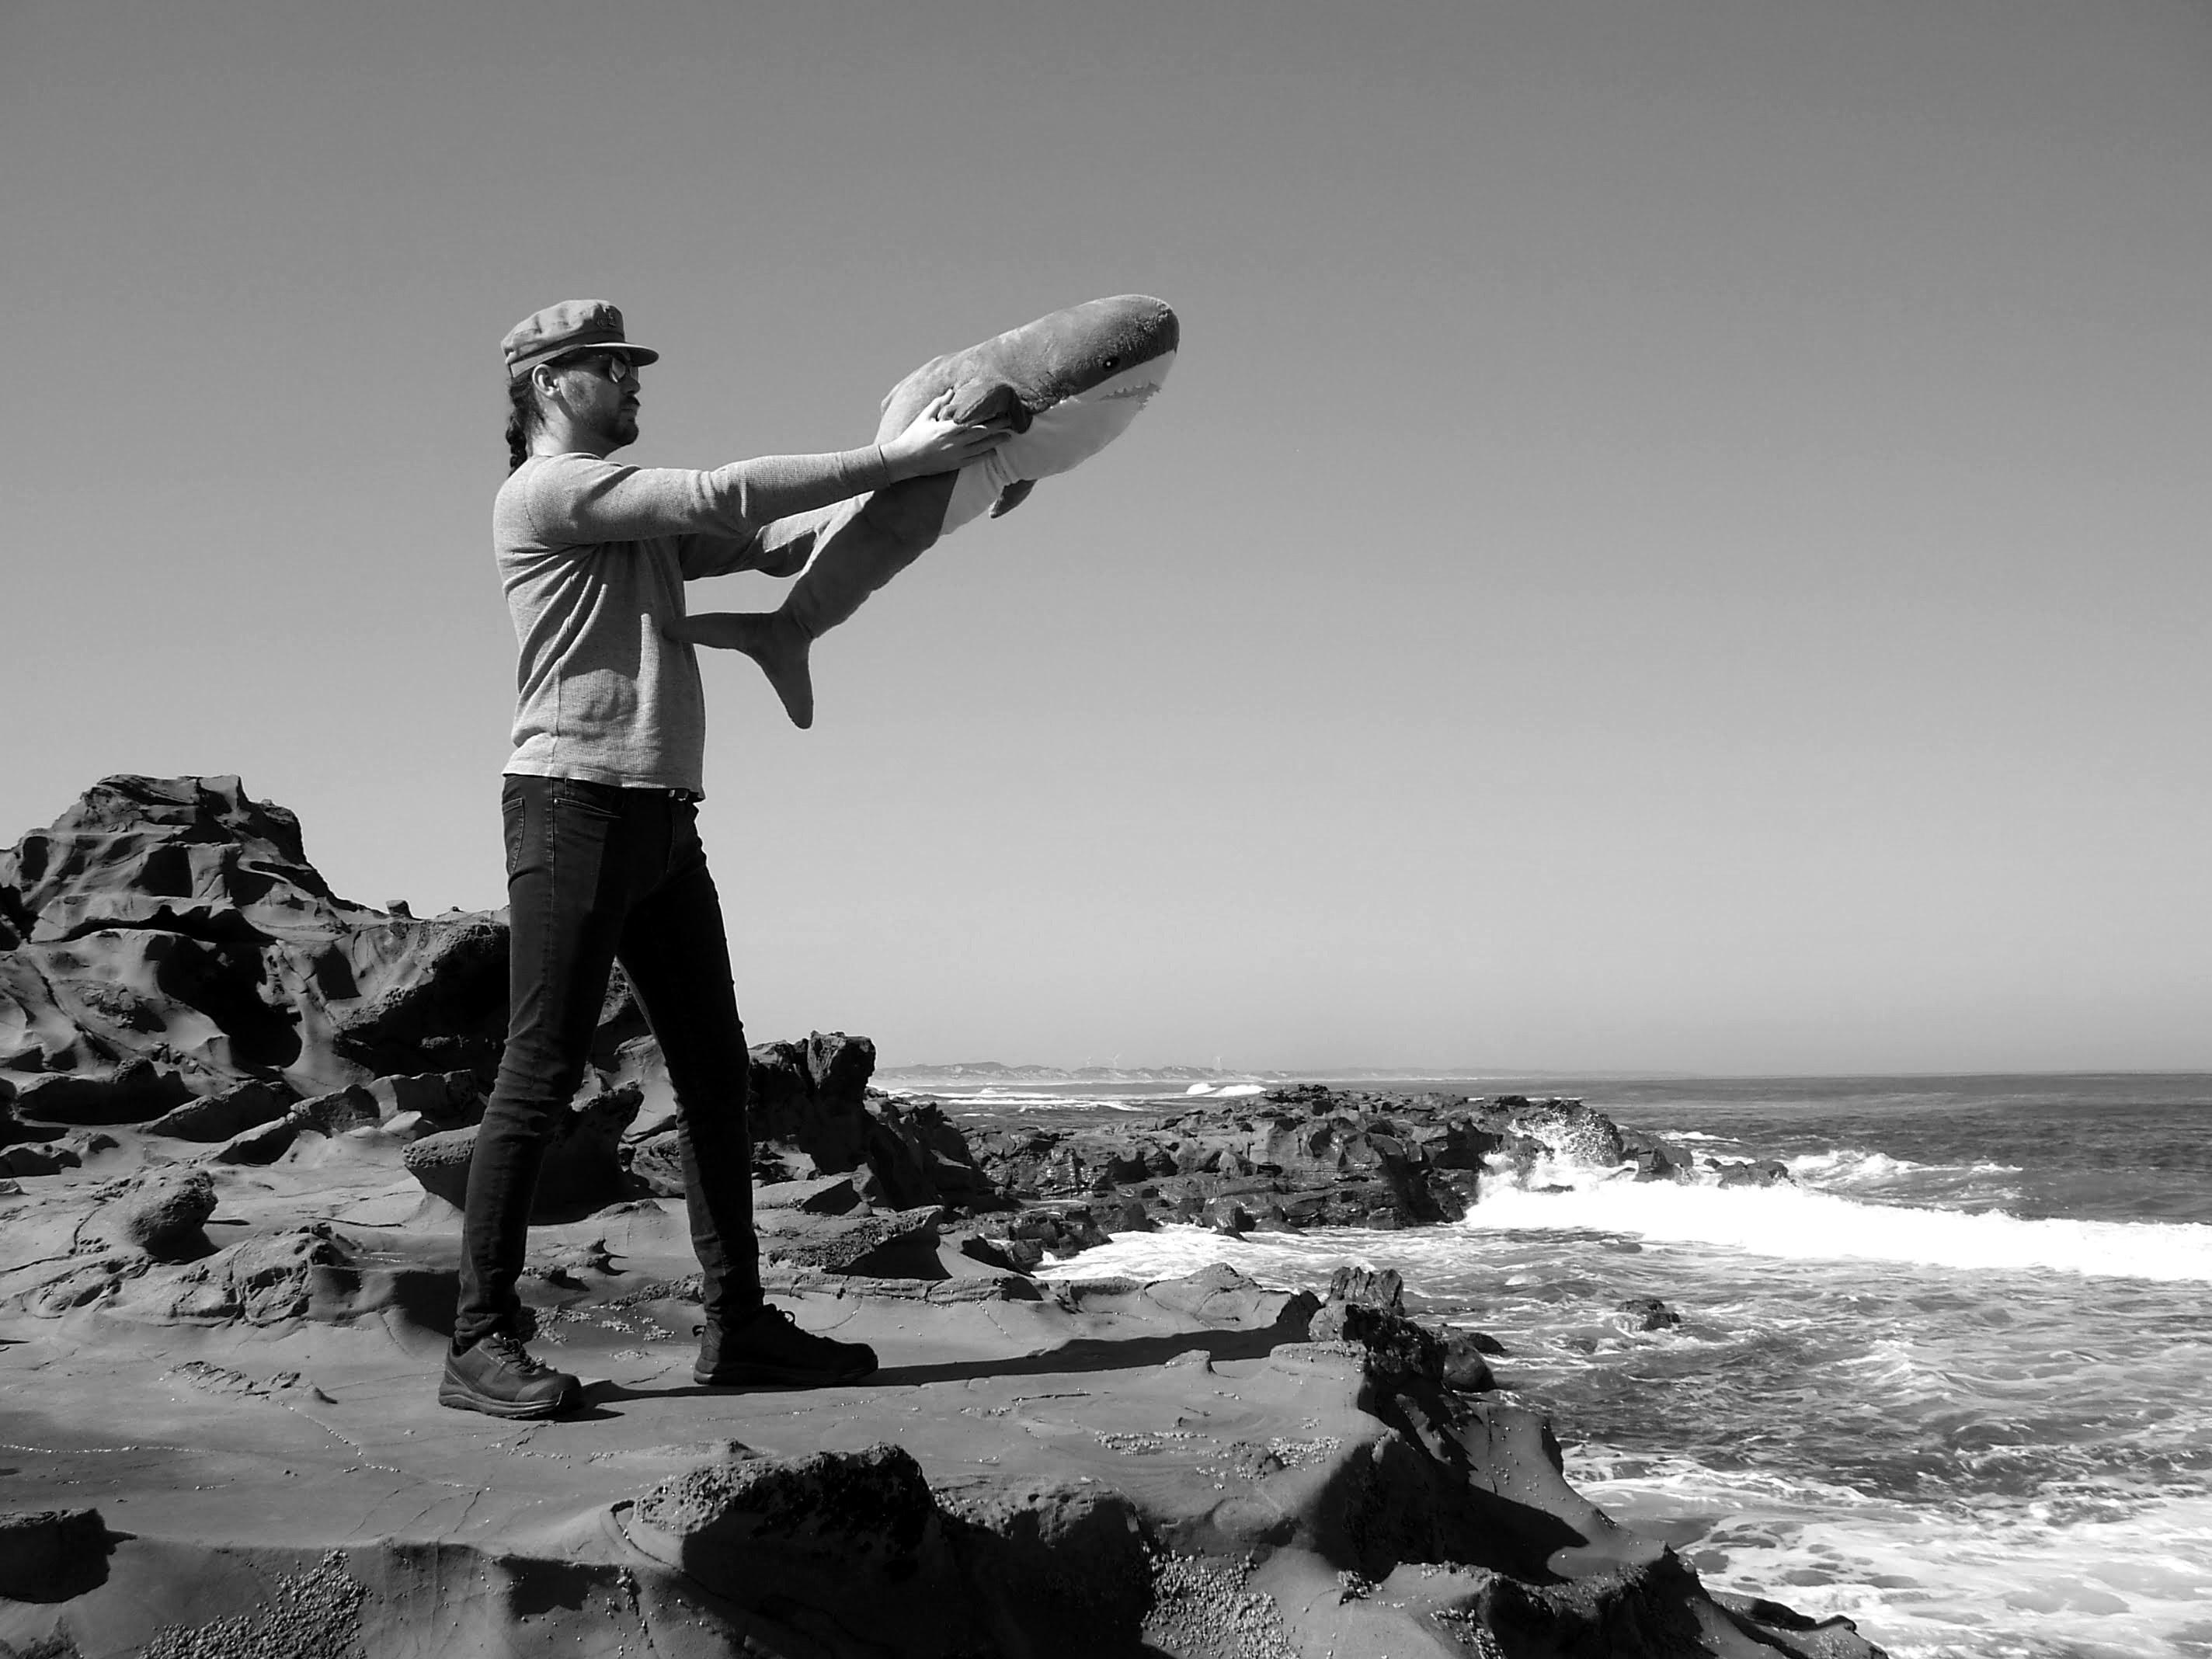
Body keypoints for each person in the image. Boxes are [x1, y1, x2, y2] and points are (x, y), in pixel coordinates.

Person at [440, 300, 1010, 1418]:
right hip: (571, 804)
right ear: (550, 382)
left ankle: (738, 1326)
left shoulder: (634, 522)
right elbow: (723, 495)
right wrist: (896, 455)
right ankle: (478, 1339)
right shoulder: (547, 494)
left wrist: (962, 480)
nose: (634, 381)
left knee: (714, 1076)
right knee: (540, 1070)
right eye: (613, 366)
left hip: (661, 819)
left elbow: (777, 537)